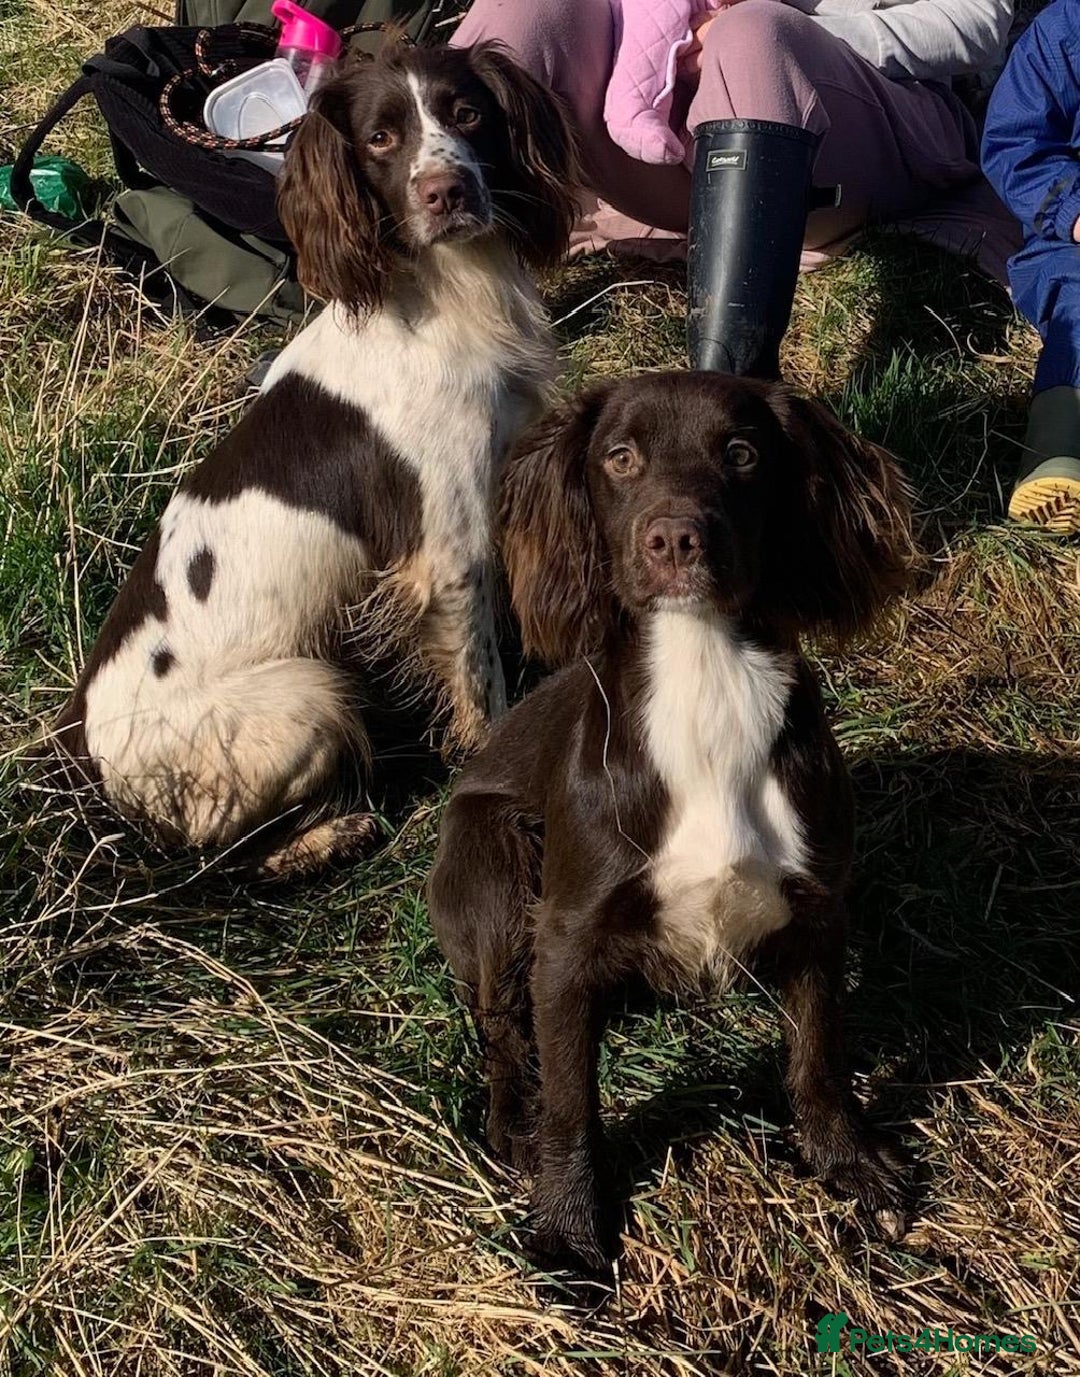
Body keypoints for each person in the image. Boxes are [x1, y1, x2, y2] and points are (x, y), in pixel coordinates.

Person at [452, 0, 1018, 380]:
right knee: (530, 10)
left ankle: (730, 391)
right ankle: (425, 319)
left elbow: (978, 24)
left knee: (752, 32)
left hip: (864, 133)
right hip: (666, 144)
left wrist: (777, 30)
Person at [982, 0, 1080, 533]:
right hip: (1073, 233)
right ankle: (1060, 443)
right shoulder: (1066, 29)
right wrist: (1074, 212)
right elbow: (1014, 144)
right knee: (1075, 300)